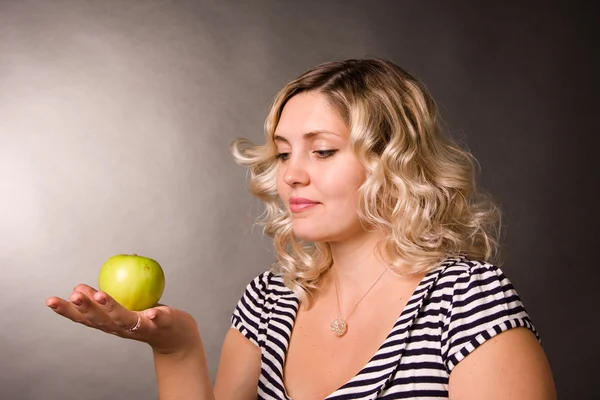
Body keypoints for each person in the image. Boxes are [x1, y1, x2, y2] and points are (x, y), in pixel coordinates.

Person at [46, 58, 556, 399]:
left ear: (392, 160)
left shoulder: (468, 303)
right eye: (285, 152)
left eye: (323, 150)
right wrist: (175, 347)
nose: (290, 173)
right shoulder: (269, 302)